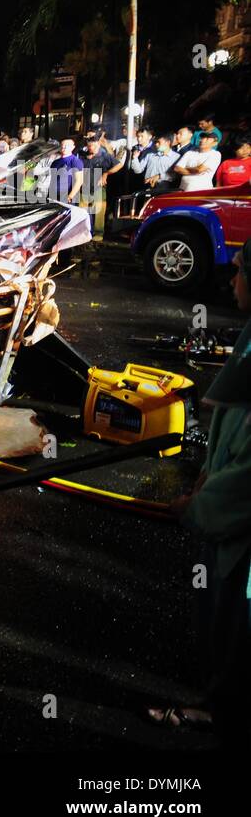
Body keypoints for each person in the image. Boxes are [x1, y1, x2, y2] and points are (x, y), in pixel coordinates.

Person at [160, 241, 251, 748]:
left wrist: (200, 508)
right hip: (226, 529)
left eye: (246, 264)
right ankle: (222, 707)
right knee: (221, 632)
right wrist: (203, 479)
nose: (234, 266)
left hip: (240, 541)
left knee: (238, 636)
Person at [49, 138, 84, 203]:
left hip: (67, 197)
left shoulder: (75, 161)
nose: (64, 147)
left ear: (73, 147)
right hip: (53, 196)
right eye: (62, 145)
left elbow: (79, 181)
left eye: (67, 145)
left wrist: (70, 196)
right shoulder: (55, 162)